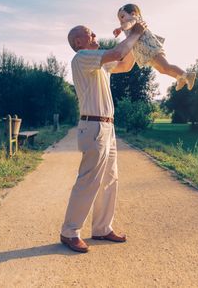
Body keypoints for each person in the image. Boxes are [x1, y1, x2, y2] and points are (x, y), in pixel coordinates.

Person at [60, 20, 146, 253]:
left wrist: (131, 35)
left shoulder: (99, 64)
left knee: (110, 179)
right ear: (79, 42)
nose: (96, 34)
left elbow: (125, 62)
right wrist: (135, 33)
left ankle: (101, 228)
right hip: (94, 126)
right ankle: (69, 232)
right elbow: (118, 52)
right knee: (89, 180)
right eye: (90, 33)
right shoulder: (82, 57)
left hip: (107, 127)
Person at [113, 3, 196, 91]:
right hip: (145, 53)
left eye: (122, 17)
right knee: (162, 70)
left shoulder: (134, 20)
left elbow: (128, 24)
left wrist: (120, 29)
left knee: (166, 66)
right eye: (119, 19)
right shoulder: (129, 24)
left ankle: (187, 75)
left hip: (151, 49)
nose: (121, 21)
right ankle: (179, 78)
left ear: (133, 14)